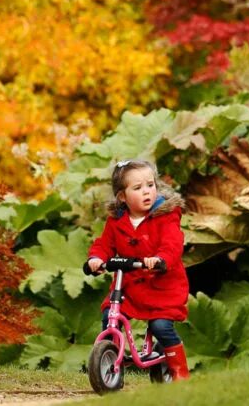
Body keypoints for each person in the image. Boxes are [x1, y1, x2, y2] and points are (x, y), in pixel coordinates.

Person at [86, 159, 190, 380]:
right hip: (129, 288)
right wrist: (96, 259)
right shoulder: (117, 221)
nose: (147, 192)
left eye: (150, 185)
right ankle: (114, 364)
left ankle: (179, 371)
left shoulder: (166, 216)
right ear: (122, 196)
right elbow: (105, 244)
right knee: (109, 316)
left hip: (163, 287)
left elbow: (172, 244)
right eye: (138, 188)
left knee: (161, 327)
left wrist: (160, 258)